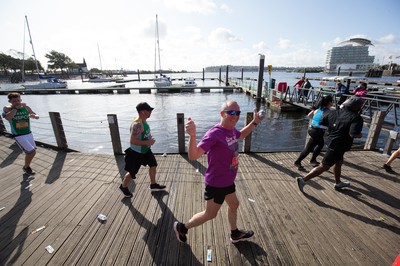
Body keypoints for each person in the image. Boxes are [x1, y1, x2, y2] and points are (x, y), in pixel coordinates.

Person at [173, 100, 263, 244]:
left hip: (227, 180)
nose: (235, 116)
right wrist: (192, 136)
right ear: (222, 114)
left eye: (238, 113)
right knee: (210, 214)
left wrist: (255, 122)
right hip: (216, 184)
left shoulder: (232, 130)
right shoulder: (214, 134)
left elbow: (241, 135)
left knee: (234, 205)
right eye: (231, 113)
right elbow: (193, 155)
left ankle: (235, 234)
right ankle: (182, 227)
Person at [296, 96, 364, 192]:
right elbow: (353, 134)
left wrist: (335, 125)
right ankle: (303, 180)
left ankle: (338, 182)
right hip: (338, 145)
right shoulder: (356, 118)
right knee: (324, 166)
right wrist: (360, 135)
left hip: (330, 140)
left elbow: (322, 122)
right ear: (358, 107)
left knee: (339, 162)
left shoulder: (333, 112)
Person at [119, 102, 166, 198]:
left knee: (153, 165)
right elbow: (132, 141)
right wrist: (147, 142)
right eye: (149, 110)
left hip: (146, 151)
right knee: (132, 173)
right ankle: (123, 187)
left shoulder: (144, 121)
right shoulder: (137, 124)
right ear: (143, 112)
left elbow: (143, 136)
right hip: (136, 153)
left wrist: (148, 139)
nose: (150, 112)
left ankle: (153, 185)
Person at [2, 92, 39, 175]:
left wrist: (35, 116)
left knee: (31, 152)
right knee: (32, 152)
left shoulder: (26, 107)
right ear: (10, 101)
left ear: (21, 100)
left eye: (18, 100)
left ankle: (26, 166)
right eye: (14, 101)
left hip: (28, 133)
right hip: (18, 134)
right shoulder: (7, 109)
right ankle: (26, 167)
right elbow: (8, 118)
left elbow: (36, 114)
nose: (17, 102)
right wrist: (15, 109)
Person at [294, 95, 333, 170]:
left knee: (320, 144)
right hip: (317, 132)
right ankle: (297, 162)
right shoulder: (328, 111)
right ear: (329, 103)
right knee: (308, 149)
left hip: (313, 129)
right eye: (332, 101)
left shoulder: (318, 109)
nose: (333, 103)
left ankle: (313, 160)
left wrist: (316, 121)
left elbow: (309, 115)